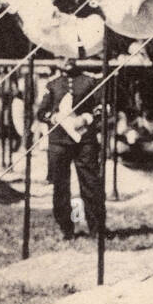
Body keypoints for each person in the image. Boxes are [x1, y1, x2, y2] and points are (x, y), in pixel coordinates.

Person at [36, 60, 104, 240]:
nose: (66, 61)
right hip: (59, 141)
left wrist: (88, 118)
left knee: (90, 183)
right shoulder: (52, 84)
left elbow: (102, 107)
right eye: (62, 57)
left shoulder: (90, 81)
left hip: (84, 141)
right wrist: (54, 117)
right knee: (60, 185)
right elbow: (41, 112)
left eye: (70, 57)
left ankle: (97, 229)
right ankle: (66, 229)